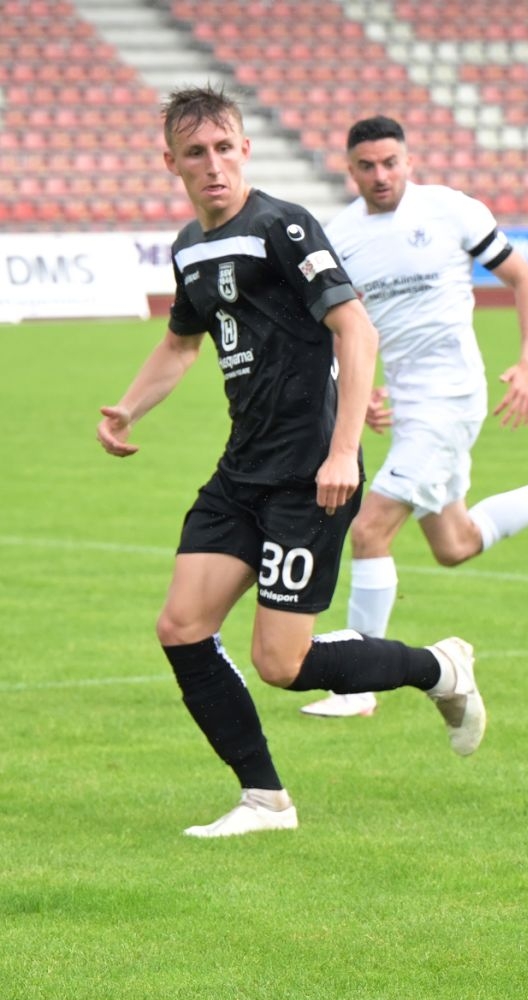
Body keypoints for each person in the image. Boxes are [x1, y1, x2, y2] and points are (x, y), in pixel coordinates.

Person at [95, 86, 486, 838]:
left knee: (282, 662)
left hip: (311, 472)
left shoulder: (283, 226)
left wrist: (344, 451)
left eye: (224, 149)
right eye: (195, 154)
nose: (212, 166)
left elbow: (355, 330)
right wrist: (128, 408)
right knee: (181, 625)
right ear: (170, 162)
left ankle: (438, 668)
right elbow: (181, 343)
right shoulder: (189, 247)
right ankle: (265, 799)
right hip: (242, 469)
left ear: (245, 150)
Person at [298, 116, 528, 720]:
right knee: (454, 544)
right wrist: (362, 387)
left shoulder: (452, 211)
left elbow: (524, 278)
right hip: (408, 401)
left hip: (450, 397)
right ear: (349, 170)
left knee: (370, 529)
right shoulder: (337, 235)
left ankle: (356, 685)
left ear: (408, 160)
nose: (381, 175)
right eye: (367, 166)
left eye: (391, 162)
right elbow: (337, 326)